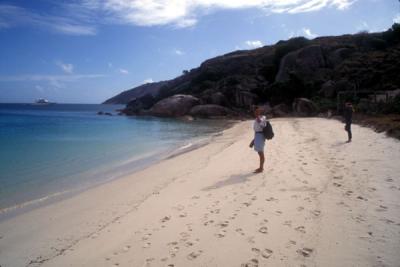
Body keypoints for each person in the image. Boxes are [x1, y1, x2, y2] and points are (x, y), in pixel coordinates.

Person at [249, 107, 267, 173]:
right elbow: (257, 129)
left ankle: (261, 168)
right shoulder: (257, 118)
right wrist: (253, 140)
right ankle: (261, 167)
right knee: (260, 152)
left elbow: (262, 125)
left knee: (261, 153)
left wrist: (257, 117)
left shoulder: (263, 118)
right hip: (257, 136)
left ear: (260, 111)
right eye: (255, 111)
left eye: (257, 111)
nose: (256, 112)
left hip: (260, 136)